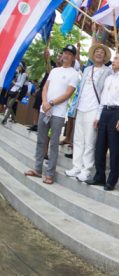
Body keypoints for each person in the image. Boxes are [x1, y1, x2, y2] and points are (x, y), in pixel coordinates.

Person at [24, 45, 80, 185]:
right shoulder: (54, 70)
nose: (65, 55)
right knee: (41, 140)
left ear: (73, 57)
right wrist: (44, 102)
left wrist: (51, 103)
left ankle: (50, 174)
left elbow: (68, 94)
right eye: (64, 53)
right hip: (45, 110)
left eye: (69, 54)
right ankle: (37, 169)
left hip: (58, 114)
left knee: (53, 144)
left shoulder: (74, 74)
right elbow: (45, 87)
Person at [65, 43, 112, 182]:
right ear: (93, 54)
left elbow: (105, 93)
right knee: (78, 139)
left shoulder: (107, 71)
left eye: (101, 52)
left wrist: (100, 113)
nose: (98, 54)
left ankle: (86, 170)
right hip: (81, 107)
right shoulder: (87, 70)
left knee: (90, 141)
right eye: (96, 51)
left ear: (104, 57)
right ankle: (76, 167)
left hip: (94, 109)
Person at [88, 52, 119, 190]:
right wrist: (98, 116)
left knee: (114, 149)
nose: (113, 61)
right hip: (105, 113)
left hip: (117, 113)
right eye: (113, 59)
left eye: (116, 59)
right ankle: (99, 177)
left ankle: (111, 181)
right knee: (100, 147)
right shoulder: (109, 78)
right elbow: (103, 99)